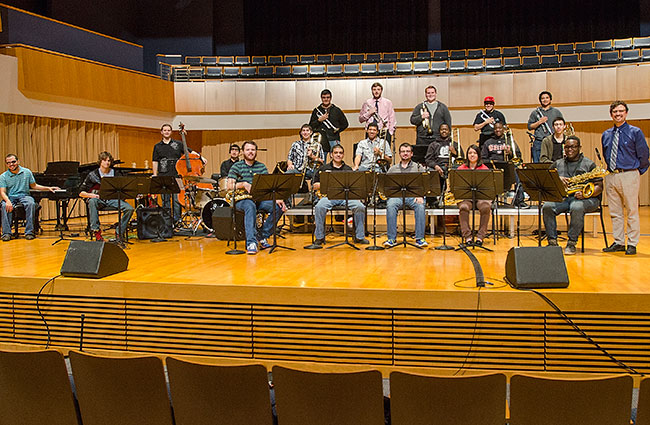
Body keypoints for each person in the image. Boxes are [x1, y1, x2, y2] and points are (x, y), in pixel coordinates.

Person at [601, 100, 649, 255]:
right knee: (615, 212)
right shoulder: (606, 134)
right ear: (611, 114)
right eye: (615, 112)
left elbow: (644, 155)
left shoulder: (635, 132)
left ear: (626, 113)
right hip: (612, 176)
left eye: (621, 111)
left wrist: (636, 172)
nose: (618, 114)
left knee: (632, 210)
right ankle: (619, 241)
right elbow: (605, 154)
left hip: (629, 174)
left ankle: (633, 243)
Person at [541, 137, 603, 255]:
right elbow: (546, 180)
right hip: (564, 198)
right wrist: (557, 179)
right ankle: (552, 241)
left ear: (579, 148)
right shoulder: (557, 163)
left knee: (577, 207)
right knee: (547, 206)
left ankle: (572, 242)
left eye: (573, 147)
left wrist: (586, 194)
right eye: (567, 147)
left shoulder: (589, 164)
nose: (570, 150)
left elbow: (599, 186)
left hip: (587, 199)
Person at [227, 140, 287, 255]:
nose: (250, 152)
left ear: (256, 152)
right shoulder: (236, 166)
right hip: (241, 200)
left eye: (253, 150)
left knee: (278, 207)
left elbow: (268, 187)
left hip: (259, 198)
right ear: (243, 152)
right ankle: (251, 242)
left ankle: (262, 236)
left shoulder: (261, 166)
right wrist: (243, 184)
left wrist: (278, 198)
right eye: (248, 150)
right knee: (250, 205)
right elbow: (229, 186)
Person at [312, 144, 367, 246]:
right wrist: (328, 183)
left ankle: (359, 237)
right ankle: (319, 237)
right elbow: (314, 185)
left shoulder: (348, 169)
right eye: (336, 153)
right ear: (331, 155)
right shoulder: (323, 168)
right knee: (319, 207)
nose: (338, 155)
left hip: (346, 197)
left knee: (360, 207)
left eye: (340, 153)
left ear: (343, 155)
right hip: (328, 197)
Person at [1, 154, 59, 241]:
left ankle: (29, 232)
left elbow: (34, 186)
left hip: (24, 195)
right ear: (6, 164)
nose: (11, 164)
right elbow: (2, 192)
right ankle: (6, 233)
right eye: (8, 163)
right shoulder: (3, 176)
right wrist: (7, 201)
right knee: (4, 205)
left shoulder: (27, 172)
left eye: (13, 162)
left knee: (31, 203)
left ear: (18, 161)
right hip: (10, 197)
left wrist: (48, 188)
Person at [79, 151, 135, 242]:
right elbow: (81, 192)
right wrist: (93, 195)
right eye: (104, 160)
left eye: (108, 160)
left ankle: (119, 232)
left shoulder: (116, 173)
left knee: (129, 209)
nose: (107, 162)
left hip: (112, 199)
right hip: (99, 199)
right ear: (100, 162)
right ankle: (96, 231)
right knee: (92, 201)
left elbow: (122, 188)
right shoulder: (93, 175)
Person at [383, 143, 428, 248]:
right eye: (403, 151)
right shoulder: (392, 169)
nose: (405, 153)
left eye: (407, 151)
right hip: (397, 196)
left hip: (414, 196)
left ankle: (420, 238)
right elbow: (387, 186)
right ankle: (391, 239)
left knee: (420, 206)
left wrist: (420, 195)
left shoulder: (418, 167)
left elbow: (425, 184)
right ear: (399, 154)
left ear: (412, 154)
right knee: (390, 205)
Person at [456, 145, 492, 246]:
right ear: (467, 155)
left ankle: (480, 236)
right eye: (470, 153)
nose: (472, 155)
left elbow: (488, 187)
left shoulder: (484, 169)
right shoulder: (461, 168)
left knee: (485, 207)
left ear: (478, 155)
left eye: (474, 153)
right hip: (466, 197)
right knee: (463, 207)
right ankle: (467, 236)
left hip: (481, 197)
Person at [152, 123, 185, 222]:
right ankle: (166, 221)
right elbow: (155, 161)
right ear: (161, 132)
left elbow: (189, 152)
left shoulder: (178, 144)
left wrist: (201, 157)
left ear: (171, 132)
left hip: (177, 175)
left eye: (168, 130)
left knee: (176, 200)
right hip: (163, 175)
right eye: (165, 130)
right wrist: (155, 174)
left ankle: (177, 221)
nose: (166, 132)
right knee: (165, 200)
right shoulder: (157, 146)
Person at [309, 89, 349, 156]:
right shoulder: (316, 111)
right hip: (321, 139)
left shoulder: (336, 110)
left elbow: (345, 124)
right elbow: (311, 126)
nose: (326, 99)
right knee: (321, 160)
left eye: (328, 97)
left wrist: (337, 130)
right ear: (321, 98)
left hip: (334, 138)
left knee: (336, 158)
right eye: (324, 97)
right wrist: (319, 120)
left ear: (331, 98)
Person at [425, 123, 463, 192]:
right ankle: (435, 198)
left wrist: (455, 152)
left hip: (452, 167)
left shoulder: (455, 144)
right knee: (431, 172)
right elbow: (428, 159)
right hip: (438, 167)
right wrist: (435, 166)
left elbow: (462, 159)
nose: (444, 131)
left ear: (449, 131)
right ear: (439, 131)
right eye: (442, 129)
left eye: (446, 129)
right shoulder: (433, 145)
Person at [528, 91, 563, 163]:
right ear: (540, 100)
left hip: (552, 141)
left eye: (547, 98)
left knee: (552, 163)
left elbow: (561, 124)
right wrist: (539, 122)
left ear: (550, 99)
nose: (545, 100)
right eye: (542, 98)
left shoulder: (556, 112)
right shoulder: (535, 112)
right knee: (538, 165)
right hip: (539, 141)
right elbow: (529, 126)